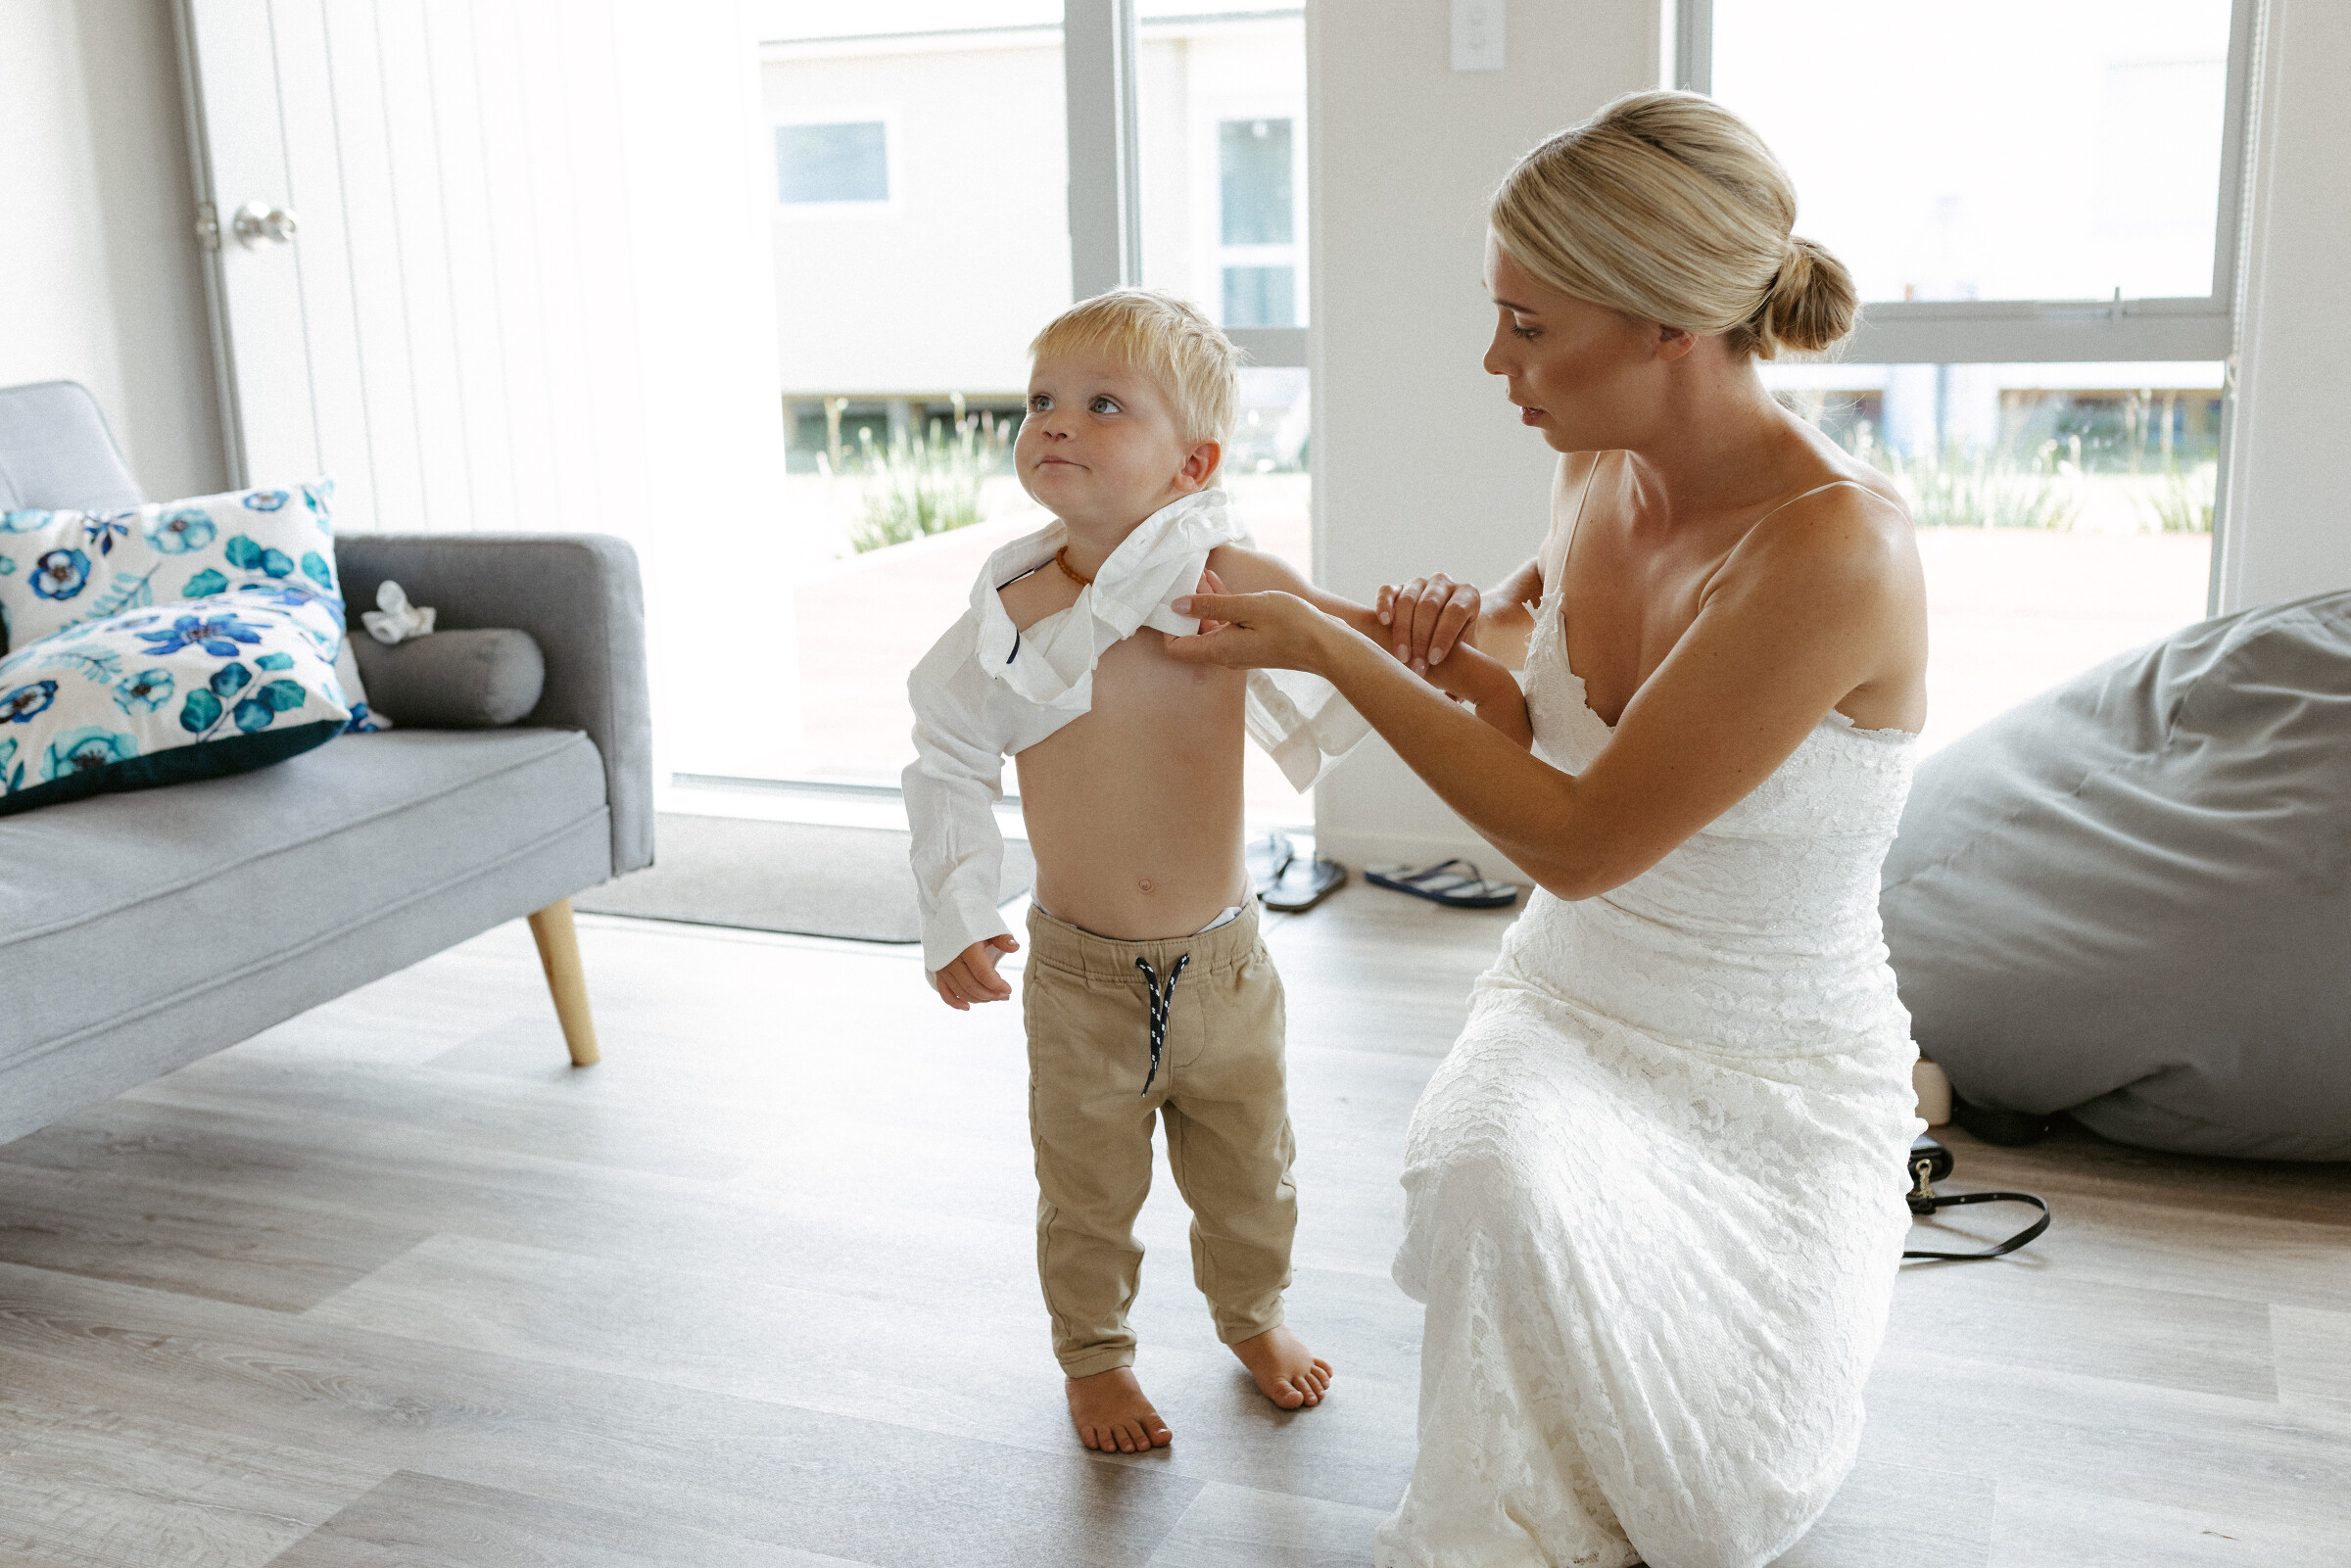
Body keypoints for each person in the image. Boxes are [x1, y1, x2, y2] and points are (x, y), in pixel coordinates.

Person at [1166, 91, 1930, 1568]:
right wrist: (1313, 606)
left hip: (1769, 1069)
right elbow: (1524, 694)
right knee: (1488, 1177)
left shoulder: (1837, 548)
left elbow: (1580, 838)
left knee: (1716, 1511)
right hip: (1573, 1000)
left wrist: (1331, 654)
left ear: (1666, 325)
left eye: (1527, 325)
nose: (1494, 362)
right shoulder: (1596, 465)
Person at [904, 289, 1374, 1456]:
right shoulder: (1013, 610)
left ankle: (1253, 1314)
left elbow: (1360, 655)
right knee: (1086, 1192)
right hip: (1081, 980)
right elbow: (947, 753)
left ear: (1192, 463)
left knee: (1253, 1176)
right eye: (1042, 401)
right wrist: (958, 906)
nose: (1057, 421)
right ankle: (1096, 1354)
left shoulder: (1228, 582)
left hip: (1225, 969)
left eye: (1104, 404)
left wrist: (1434, 624)